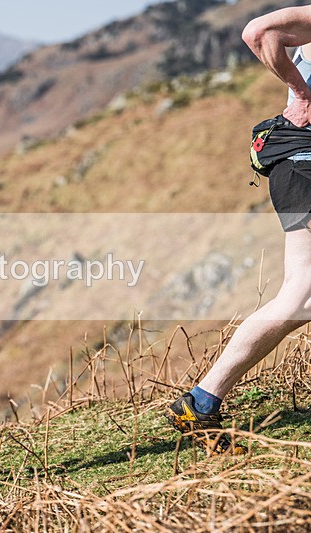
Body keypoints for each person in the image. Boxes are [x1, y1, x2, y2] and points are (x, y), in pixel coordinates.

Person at [165, 6, 311, 455]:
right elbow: (259, 31)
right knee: (303, 293)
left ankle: (203, 400)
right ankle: (202, 401)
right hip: (304, 159)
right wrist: (300, 93)